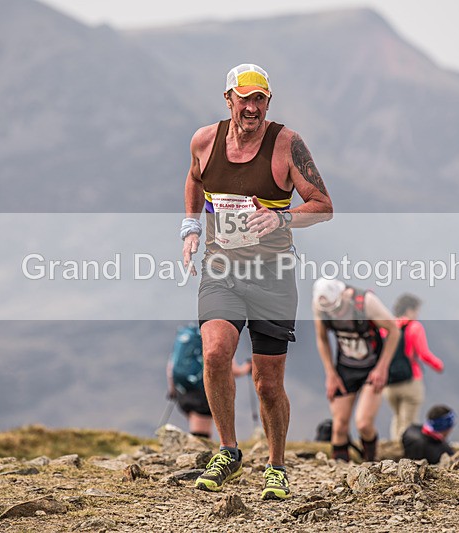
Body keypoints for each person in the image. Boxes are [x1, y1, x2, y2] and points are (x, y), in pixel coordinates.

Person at [181, 63, 333, 500]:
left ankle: (276, 466)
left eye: (260, 99)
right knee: (215, 354)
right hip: (221, 270)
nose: (252, 107)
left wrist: (282, 217)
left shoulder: (287, 145)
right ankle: (228, 451)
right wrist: (191, 227)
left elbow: (323, 205)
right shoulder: (204, 141)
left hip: (272, 277)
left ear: (269, 102)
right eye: (244, 98)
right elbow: (195, 178)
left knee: (267, 383)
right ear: (228, 99)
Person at [313, 278, 400, 462]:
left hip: (372, 368)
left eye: (337, 308)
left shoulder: (366, 302)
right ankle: (339, 469)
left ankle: (370, 461)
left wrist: (382, 368)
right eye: (330, 311)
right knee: (339, 426)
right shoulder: (320, 307)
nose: (335, 314)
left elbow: (394, 330)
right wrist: (330, 373)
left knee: (363, 423)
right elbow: (322, 338)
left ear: (344, 294)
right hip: (345, 368)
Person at [166, 329, 252, 439]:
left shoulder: (187, 339)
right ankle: (198, 449)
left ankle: (189, 447)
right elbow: (232, 370)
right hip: (204, 390)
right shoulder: (219, 339)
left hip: (183, 390)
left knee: (194, 424)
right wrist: (247, 367)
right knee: (201, 434)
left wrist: (173, 390)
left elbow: (170, 367)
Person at [382, 294, 445, 441]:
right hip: (410, 381)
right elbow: (423, 354)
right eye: (416, 311)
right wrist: (438, 365)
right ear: (409, 310)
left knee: (398, 417)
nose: (417, 314)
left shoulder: (386, 328)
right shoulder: (414, 327)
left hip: (389, 383)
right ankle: (406, 449)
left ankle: (395, 445)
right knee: (409, 421)